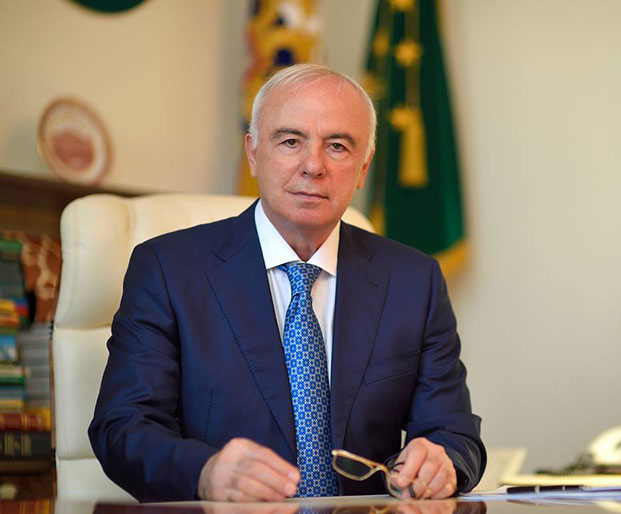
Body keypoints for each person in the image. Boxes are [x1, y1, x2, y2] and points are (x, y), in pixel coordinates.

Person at [88, 64, 485, 503]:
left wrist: (443, 462)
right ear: (253, 153)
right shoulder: (168, 270)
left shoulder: (414, 280)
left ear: (364, 168)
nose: (313, 166)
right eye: (291, 141)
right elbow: (123, 427)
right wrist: (205, 473)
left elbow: (454, 433)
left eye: (337, 146)